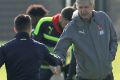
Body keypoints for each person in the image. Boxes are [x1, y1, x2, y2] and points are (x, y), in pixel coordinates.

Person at [54, 0, 118, 80]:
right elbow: (60, 49)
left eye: (86, 7)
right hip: (85, 77)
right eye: (80, 7)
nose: (83, 11)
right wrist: (57, 61)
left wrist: (110, 56)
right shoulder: (72, 27)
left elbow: (113, 39)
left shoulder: (103, 18)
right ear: (77, 7)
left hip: (107, 76)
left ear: (92, 6)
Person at [0, 14, 61, 80]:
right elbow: (55, 61)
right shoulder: (40, 48)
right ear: (30, 29)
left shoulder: (5, 48)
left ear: (15, 29)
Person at [33, 7, 75, 80]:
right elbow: (35, 47)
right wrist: (50, 62)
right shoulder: (44, 22)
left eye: (70, 25)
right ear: (61, 17)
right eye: (65, 23)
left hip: (60, 69)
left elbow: (74, 54)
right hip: (41, 67)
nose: (67, 27)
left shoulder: (74, 30)